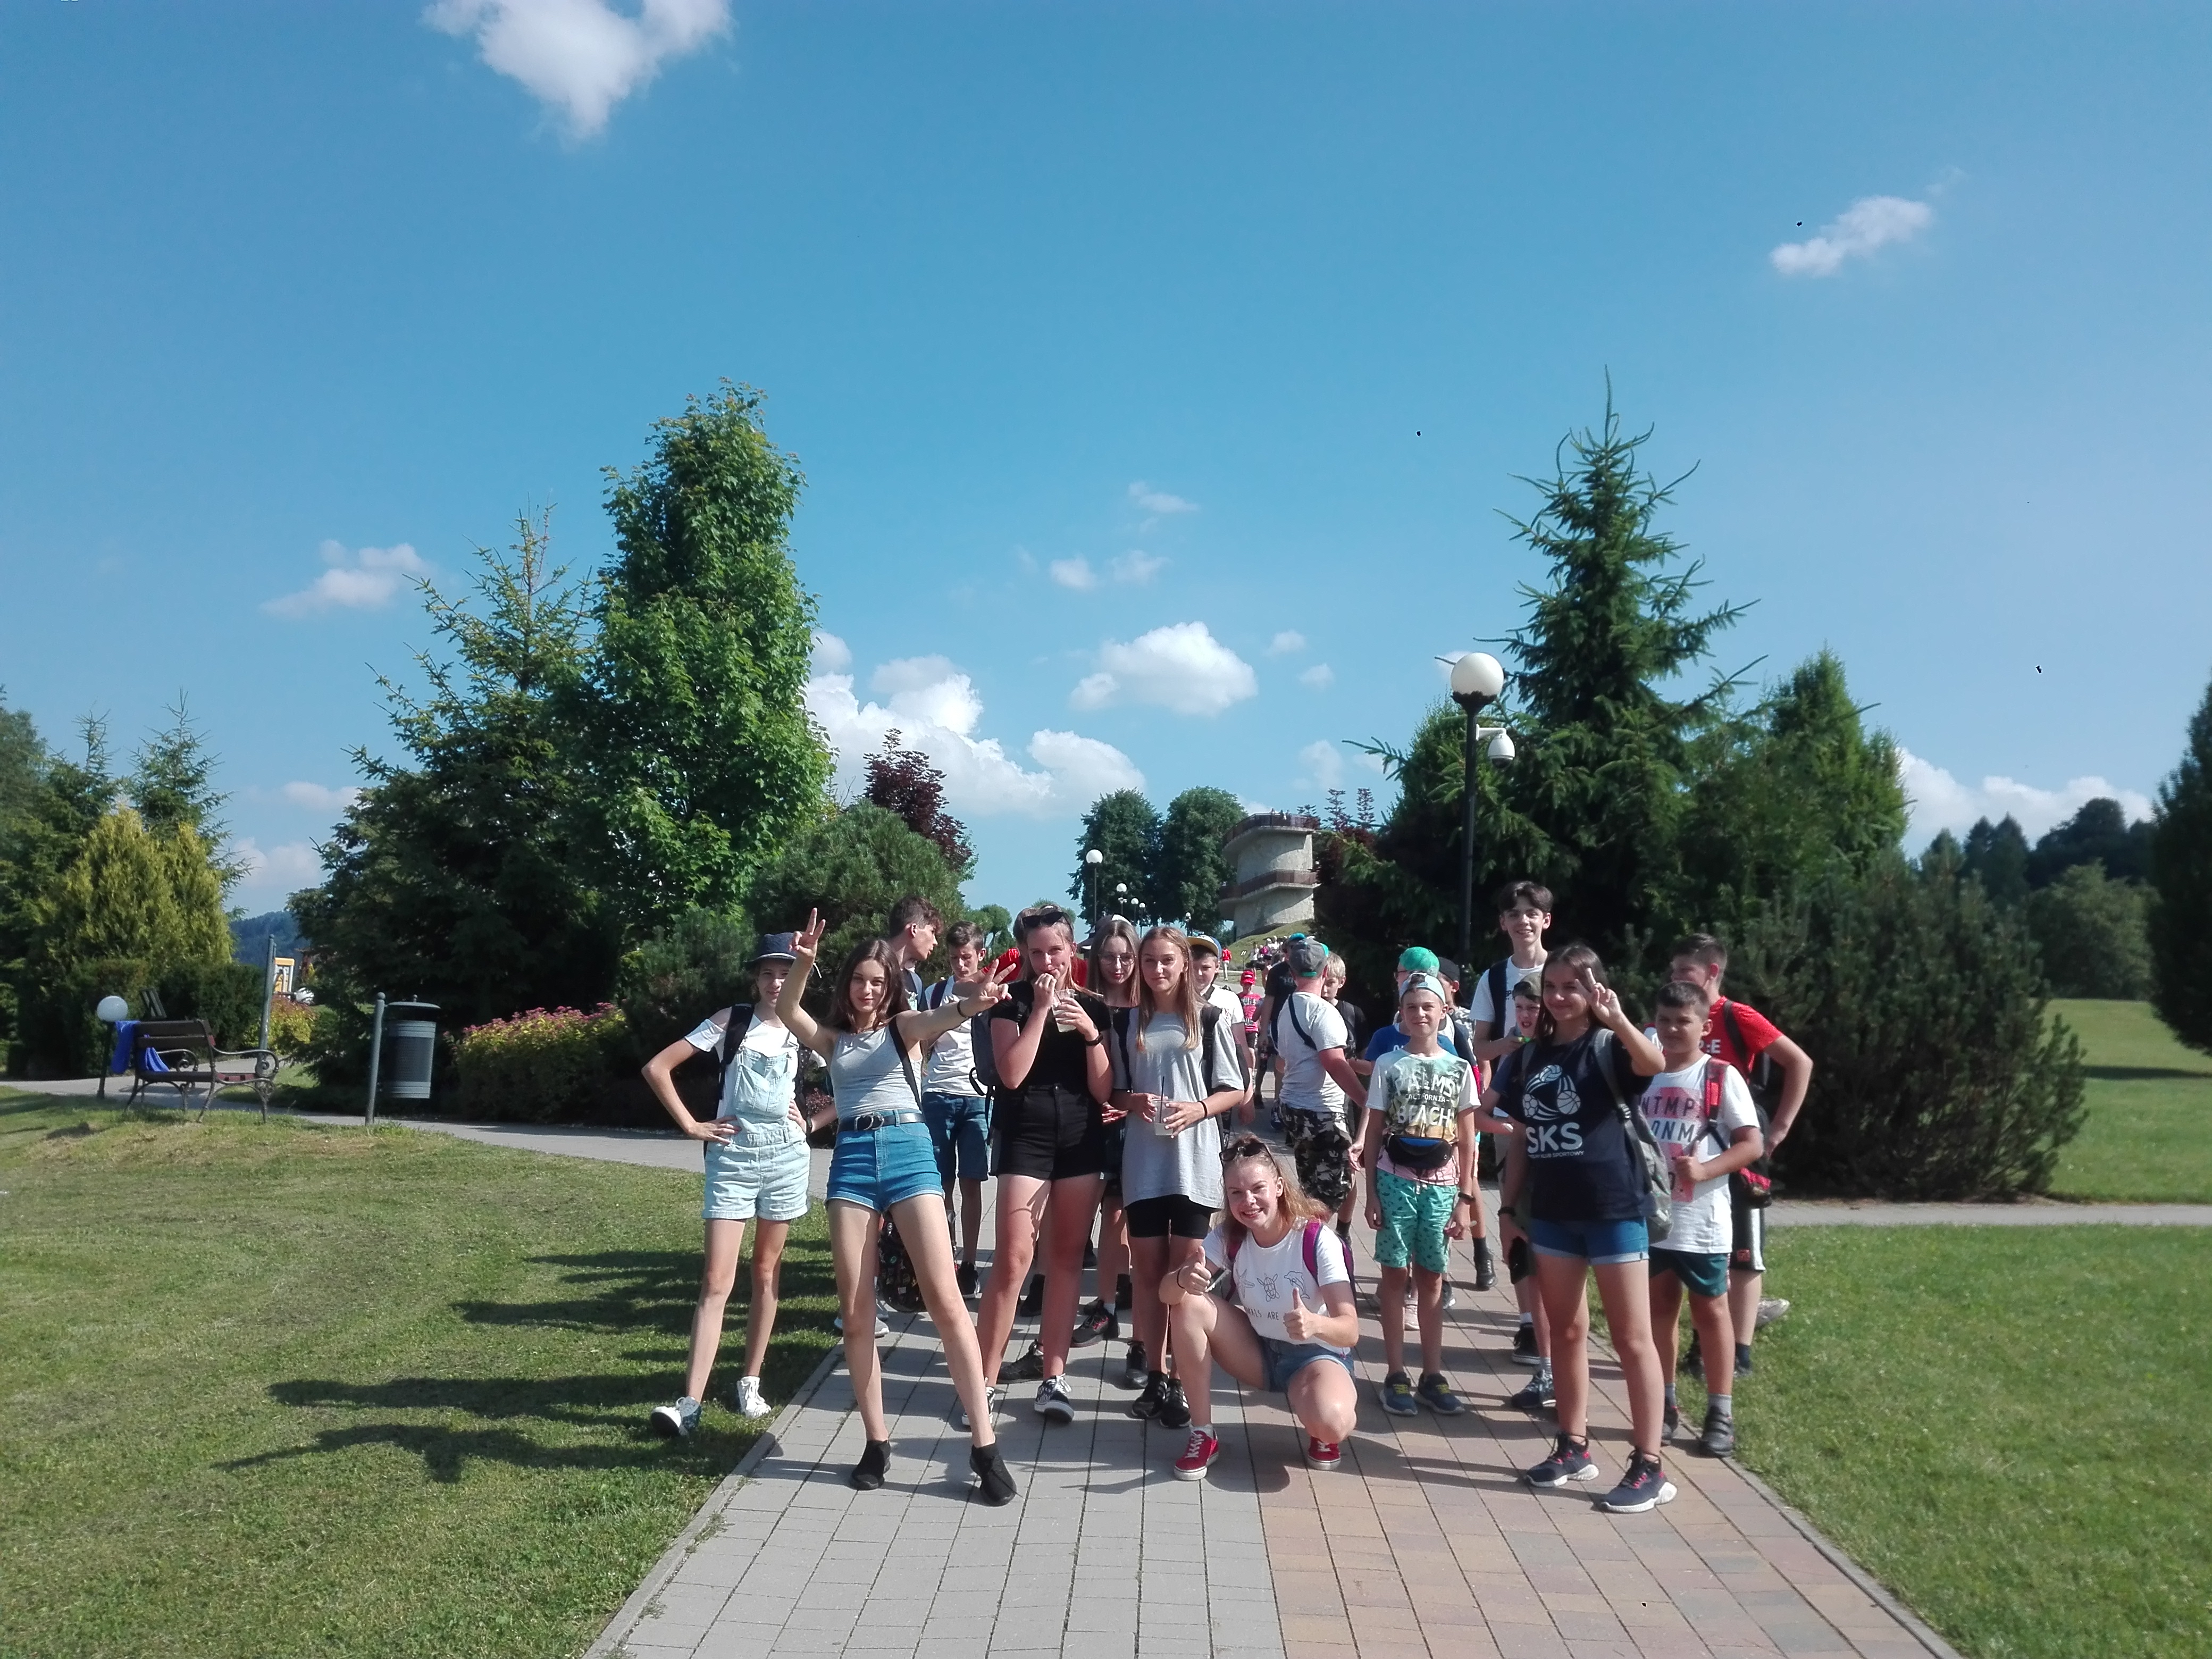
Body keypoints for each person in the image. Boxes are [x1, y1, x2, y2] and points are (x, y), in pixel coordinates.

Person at [777, 911, 1020, 1502]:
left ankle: (985, 1446)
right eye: (859, 980)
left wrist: (976, 1003)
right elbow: (787, 1010)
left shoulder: (903, 1028)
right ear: (847, 985)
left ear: (890, 987)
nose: (868, 990)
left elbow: (944, 1016)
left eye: (878, 981)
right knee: (856, 1313)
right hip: (852, 1162)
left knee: (945, 1302)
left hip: (910, 1152)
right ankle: (875, 1442)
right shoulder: (833, 1041)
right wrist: (803, 963)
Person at [1488, 945, 1673, 1514]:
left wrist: (1617, 1019)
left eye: (1572, 986)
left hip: (1614, 1208)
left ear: (1595, 989)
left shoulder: (1609, 1046)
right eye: (1551, 986)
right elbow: (1520, 1137)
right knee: (1566, 1332)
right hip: (1552, 1213)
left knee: (1631, 1339)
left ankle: (1649, 1464)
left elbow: (1654, 1065)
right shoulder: (1530, 1057)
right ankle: (1572, 1446)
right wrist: (1507, 1211)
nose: (1559, 996)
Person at [642, 933, 813, 1436]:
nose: (776, 983)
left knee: (766, 1272)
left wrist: (814, 1120)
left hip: (786, 1159)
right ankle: (689, 1404)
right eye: (767, 973)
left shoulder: (805, 1029)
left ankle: (750, 1382)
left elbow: (854, 1079)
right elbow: (657, 1067)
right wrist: (691, 1125)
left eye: (785, 973)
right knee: (717, 1280)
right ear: (755, 979)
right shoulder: (730, 1021)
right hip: (733, 1161)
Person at [973, 903, 1115, 1428]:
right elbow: (1010, 1075)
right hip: (1025, 1136)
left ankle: (1054, 1376)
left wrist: (1091, 1034)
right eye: (1037, 953)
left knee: (1066, 1260)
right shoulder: (1008, 1002)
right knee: (1013, 1261)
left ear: (1072, 949)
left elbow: (1103, 1089)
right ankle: (983, 1380)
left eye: (1056, 950)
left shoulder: (1094, 1007)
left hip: (1079, 1137)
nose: (1047, 961)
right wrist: (1038, 1010)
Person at [1159, 1136, 1361, 1481]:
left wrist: (1315, 1324)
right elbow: (1166, 1295)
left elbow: (1351, 1329)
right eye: (1236, 1192)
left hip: (1315, 1357)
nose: (1248, 1201)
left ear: (1279, 1187)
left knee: (1331, 1423)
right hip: (1259, 1351)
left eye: (1258, 1189)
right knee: (1187, 1302)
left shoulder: (1316, 1239)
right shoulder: (1230, 1236)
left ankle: (1319, 1424)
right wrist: (1181, 1278)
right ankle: (1203, 1433)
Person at [1109, 925, 1246, 1427]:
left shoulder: (1208, 1019)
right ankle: (1155, 1374)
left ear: (1185, 964)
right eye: (1149, 961)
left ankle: (1187, 1381)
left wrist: (1199, 1109)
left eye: (1167, 960)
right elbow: (1114, 1092)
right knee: (1147, 1274)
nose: (1157, 970)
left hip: (1195, 1163)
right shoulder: (1128, 1021)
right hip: (1144, 1162)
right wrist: (1132, 1101)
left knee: (1187, 1275)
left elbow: (1235, 1088)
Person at [1668, 933, 1815, 1378]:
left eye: (1685, 971)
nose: (1676, 979)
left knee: (1744, 1250)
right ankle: (1700, 1344)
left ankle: (1740, 1352)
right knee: (1695, 1241)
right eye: (1673, 971)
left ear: (1712, 972)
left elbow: (1799, 1062)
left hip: (1739, 1142)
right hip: (1690, 1147)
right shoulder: (1674, 1017)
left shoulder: (1736, 1015)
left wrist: (1781, 1127)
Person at [1639, 979, 1764, 1457]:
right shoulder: (1645, 1073)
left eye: (1683, 1021)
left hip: (1702, 1220)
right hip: (1653, 1218)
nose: (1673, 1030)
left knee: (1710, 1312)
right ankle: (1665, 1403)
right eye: (1664, 1021)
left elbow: (1750, 1143)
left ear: (1704, 1027)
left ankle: (1720, 1411)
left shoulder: (1719, 1075)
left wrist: (1707, 1170)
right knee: (1659, 1309)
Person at [1359, 972, 1478, 1418]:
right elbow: (1375, 1129)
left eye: (1428, 1006)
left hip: (1442, 1184)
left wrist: (1465, 1199)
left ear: (1444, 1011)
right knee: (1394, 1274)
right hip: (1396, 1179)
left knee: (1432, 1277)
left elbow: (1468, 1139)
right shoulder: (1389, 1064)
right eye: (1411, 1007)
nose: (1420, 1014)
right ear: (1402, 1014)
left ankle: (1432, 1373)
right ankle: (1395, 1372)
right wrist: (1371, 1192)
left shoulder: (1459, 1068)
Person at [1270, 936, 1367, 1252]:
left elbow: (1283, 1060)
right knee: (1333, 1190)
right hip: (1321, 1112)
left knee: (1310, 1188)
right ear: (1326, 972)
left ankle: (1298, 1246)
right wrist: (1366, 1100)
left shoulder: (1287, 1007)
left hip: (1294, 1108)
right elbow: (1334, 1062)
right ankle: (1301, 1248)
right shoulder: (1323, 1012)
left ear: (1291, 972)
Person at [1074, 917, 1141, 1356]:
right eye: (1109, 957)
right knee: (1103, 1215)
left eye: (1125, 957)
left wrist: (1127, 1102)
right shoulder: (1088, 1003)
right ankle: (1107, 1303)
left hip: (1135, 1120)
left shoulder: (1147, 1006)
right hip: (1092, 1119)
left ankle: (1118, 1301)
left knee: (1125, 1216)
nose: (1117, 966)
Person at [919, 921, 994, 1298]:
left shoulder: (993, 992)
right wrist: (949, 1016)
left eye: (966, 957)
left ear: (981, 955)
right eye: (953, 958)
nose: (960, 965)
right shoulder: (935, 993)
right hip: (938, 1094)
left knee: (972, 1182)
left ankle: (969, 1263)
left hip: (977, 1097)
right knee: (940, 1184)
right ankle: (945, 1259)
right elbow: (920, 1043)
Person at [1496, 975, 1558, 1412]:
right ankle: (1547, 1371)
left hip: (1573, 1180)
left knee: (1567, 1282)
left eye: (1533, 1008)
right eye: (1519, 1008)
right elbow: (1484, 1108)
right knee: (1533, 1271)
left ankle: (1568, 1380)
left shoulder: (1577, 1050)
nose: (1525, 1016)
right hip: (1529, 1181)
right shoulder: (1520, 1057)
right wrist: (1511, 1128)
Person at [883, 896, 943, 1006]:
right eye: (932, 932)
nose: (935, 942)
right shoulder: (870, 970)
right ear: (914, 929)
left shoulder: (916, 982)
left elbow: (924, 1017)